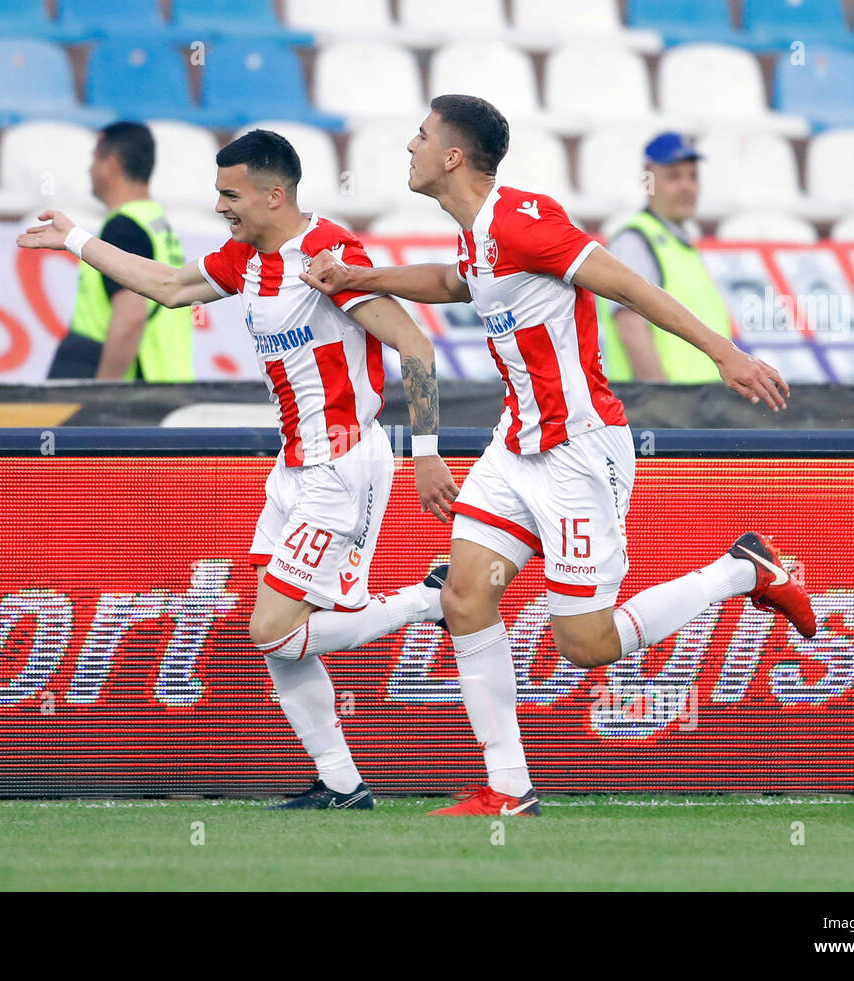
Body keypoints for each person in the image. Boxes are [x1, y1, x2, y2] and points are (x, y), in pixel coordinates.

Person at [301, 95, 816, 817]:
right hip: (516, 446)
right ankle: (509, 789)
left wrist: (724, 353)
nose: (408, 147)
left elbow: (627, 285)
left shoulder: (521, 218)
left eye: (419, 137)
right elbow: (457, 285)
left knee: (587, 643)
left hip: (579, 448)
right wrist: (364, 277)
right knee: (465, 594)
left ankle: (742, 569)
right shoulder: (478, 232)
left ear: (452, 155)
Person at [20, 129, 460, 809]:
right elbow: (169, 286)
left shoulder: (328, 255)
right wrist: (77, 239)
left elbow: (413, 343)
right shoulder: (246, 259)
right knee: (281, 638)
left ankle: (430, 600)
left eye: (231, 192)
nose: (220, 204)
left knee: (274, 628)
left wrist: (426, 453)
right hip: (293, 464)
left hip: (343, 459)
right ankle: (342, 783)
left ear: (274, 193)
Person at [47, 121, 194, 382]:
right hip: (166, 381)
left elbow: (131, 317)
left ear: (111, 165)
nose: (89, 170)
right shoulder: (156, 222)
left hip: (135, 389)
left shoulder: (123, 227)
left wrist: (103, 395)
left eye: (94, 159)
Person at [597, 132, 733, 383]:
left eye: (693, 176)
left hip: (701, 408)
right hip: (669, 411)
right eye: (674, 176)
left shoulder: (681, 247)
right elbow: (630, 327)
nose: (687, 187)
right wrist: (664, 405)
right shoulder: (635, 240)